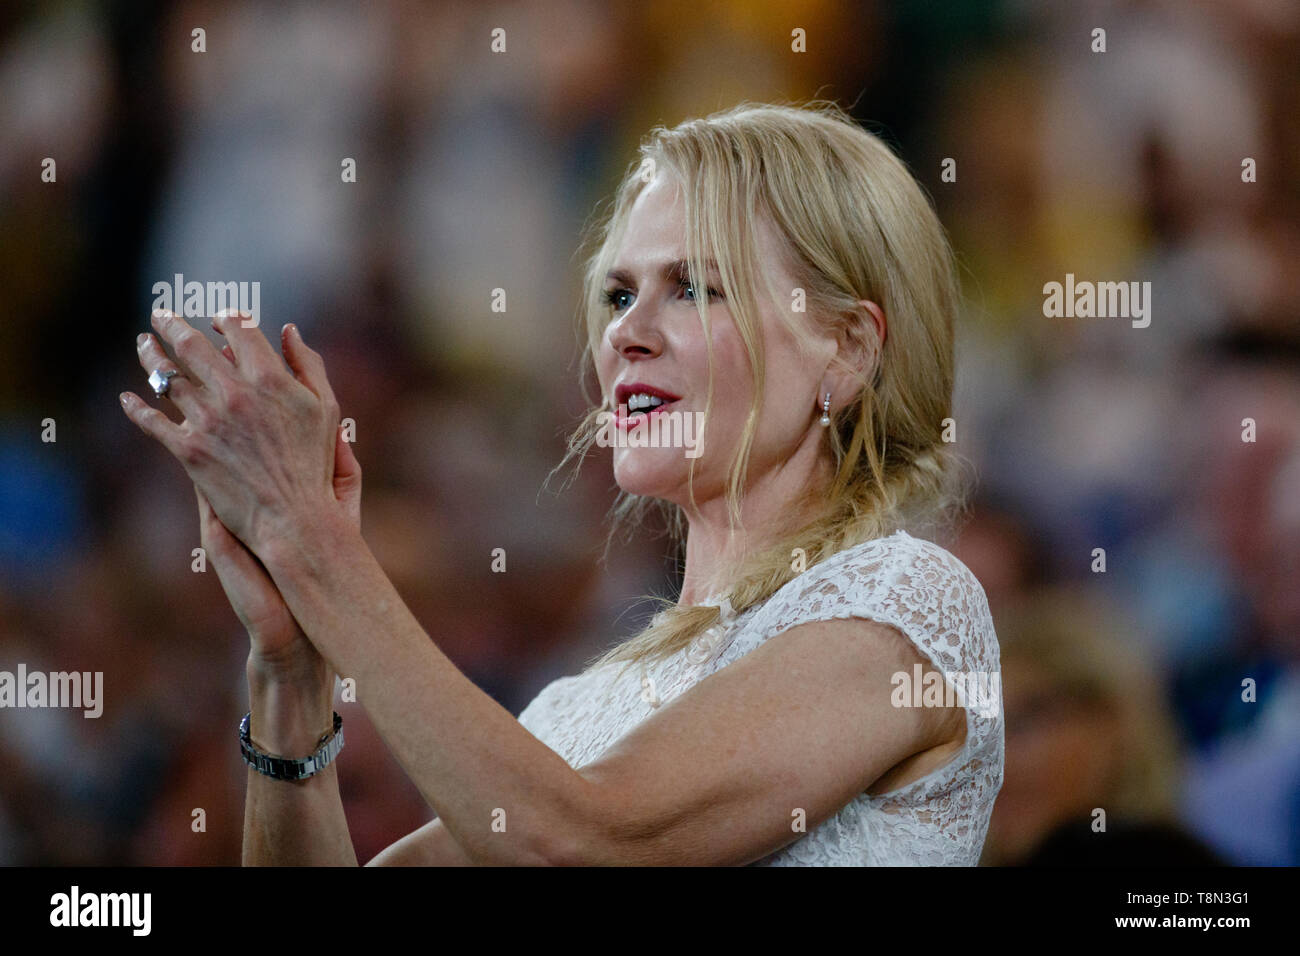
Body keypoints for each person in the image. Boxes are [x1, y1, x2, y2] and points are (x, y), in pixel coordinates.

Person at [119, 101, 1003, 866]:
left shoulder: (915, 607)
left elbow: (587, 843)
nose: (628, 334)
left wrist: (314, 547)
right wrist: (292, 668)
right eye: (619, 295)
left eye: (694, 288)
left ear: (846, 349)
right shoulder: (570, 717)